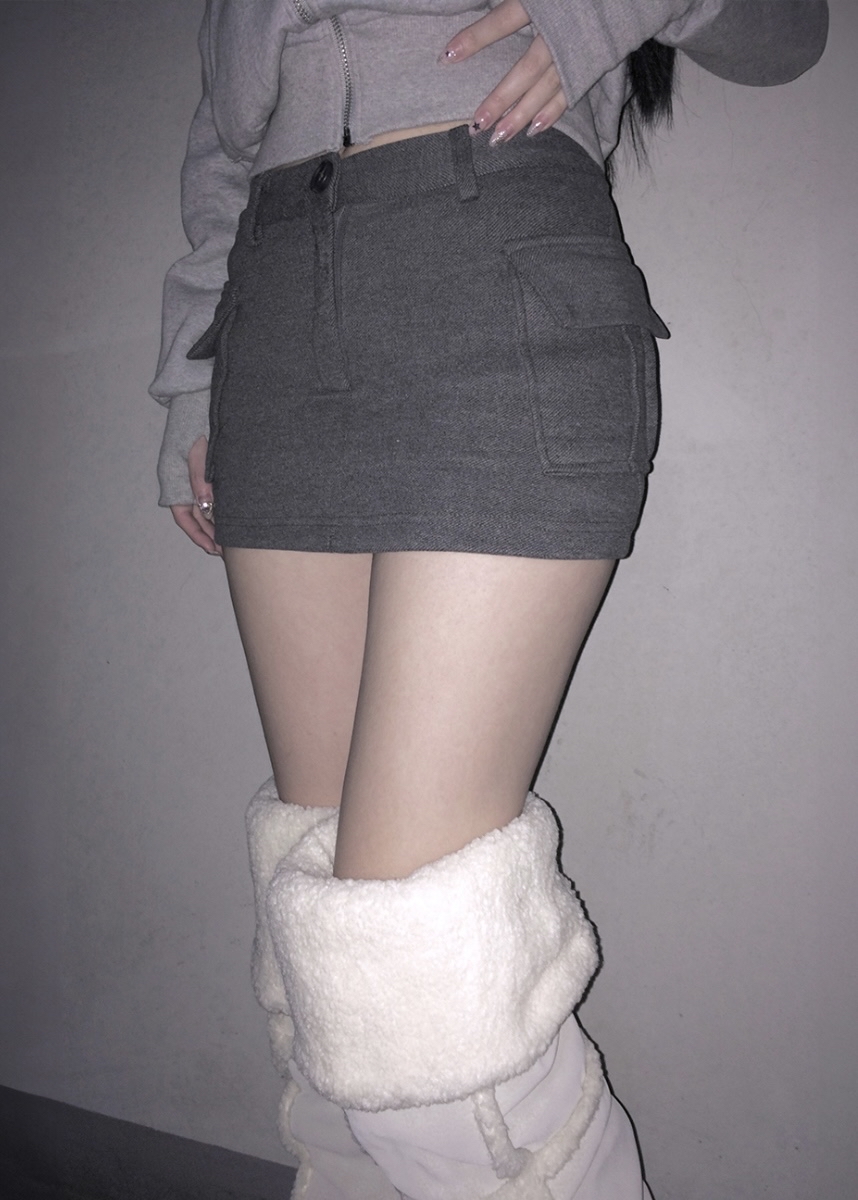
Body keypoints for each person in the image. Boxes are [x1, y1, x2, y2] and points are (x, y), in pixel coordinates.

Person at [151, 2, 828, 1196]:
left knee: (410, 995)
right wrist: (189, 384)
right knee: (324, 971)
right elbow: (221, 143)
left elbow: (789, 32)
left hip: (496, 268)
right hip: (271, 322)